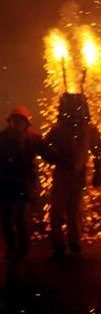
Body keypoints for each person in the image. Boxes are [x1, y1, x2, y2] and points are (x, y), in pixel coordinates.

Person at [44, 93, 101, 257]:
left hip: (79, 175)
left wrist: (98, 171)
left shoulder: (89, 129)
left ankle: (74, 242)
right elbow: (45, 149)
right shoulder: (58, 130)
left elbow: (99, 151)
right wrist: (57, 158)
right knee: (57, 210)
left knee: (74, 209)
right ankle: (58, 244)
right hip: (62, 174)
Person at [0, 106, 47, 259]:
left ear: (26, 123)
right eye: (15, 120)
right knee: (6, 216)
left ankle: (23, 247)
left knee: (20, 216)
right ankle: (12, 246)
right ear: (10, 122)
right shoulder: (2, 138)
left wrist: (61, 159)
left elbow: (47, 152)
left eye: (20, 120)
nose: (17, 123)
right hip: (5, 181)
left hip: (23, 182)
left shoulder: (33, 138)